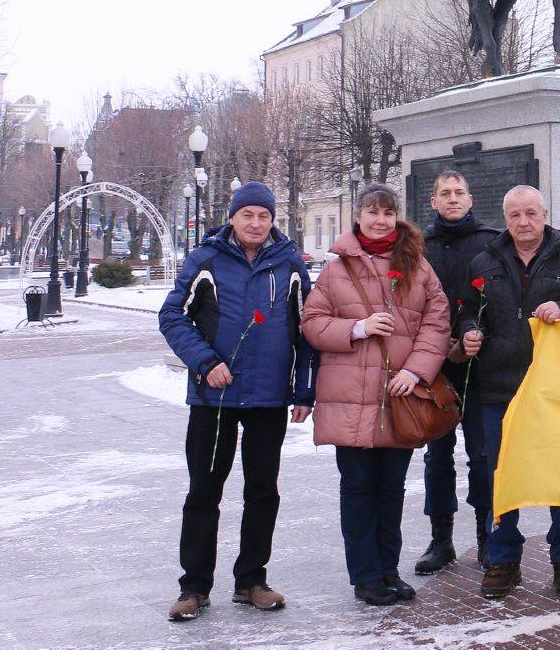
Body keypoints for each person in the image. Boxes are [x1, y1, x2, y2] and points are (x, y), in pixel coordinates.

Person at [159, 182, 316, 623]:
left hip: (268, 399)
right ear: (233, 217)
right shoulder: (205, 260)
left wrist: (304, 390)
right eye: (247, 215)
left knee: (263, 491)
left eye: (263, 216)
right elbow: (172, 316)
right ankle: (194, 587)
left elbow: (308, 329)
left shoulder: (289, 265)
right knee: (204, 492)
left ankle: (252, 581)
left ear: (272, 220)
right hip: (214, 399)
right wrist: (205, 362)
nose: (255, 223)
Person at [301, 183, 451, 605]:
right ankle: (366, 576)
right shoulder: (336, 269)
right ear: (359, 216)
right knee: (358, 487)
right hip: (350, 398)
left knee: (392, 488)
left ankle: (389, 569)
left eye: (387, 213)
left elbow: (437, 324)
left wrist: (416, 371)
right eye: (372, 212)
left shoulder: (418, 266)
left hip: (397, 398)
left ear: (396, 217)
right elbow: (311, 323)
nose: (380, 220)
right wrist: (357, 328)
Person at [455, 184, 560, 601]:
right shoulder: (485, 260)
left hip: (555, 390)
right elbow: (463, 309)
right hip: (498, 389)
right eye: (515, 215)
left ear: (545, 213)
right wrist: (468, 333)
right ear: (505, 217)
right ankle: (503, 558)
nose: (523, 222)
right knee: (500, 476)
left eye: (531, 213)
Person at [414, 171, 500, 575]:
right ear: (433, 202)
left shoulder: (490, 242)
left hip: (479, 364)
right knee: (438, 456)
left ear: (470, 199)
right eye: (444, 193)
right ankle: (441, 538)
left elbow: (497, 300)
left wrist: (473, 337)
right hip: (435, 365)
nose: (452, 198)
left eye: (459, 192)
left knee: (482, 457)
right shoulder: (420, 247)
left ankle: (487, 537)